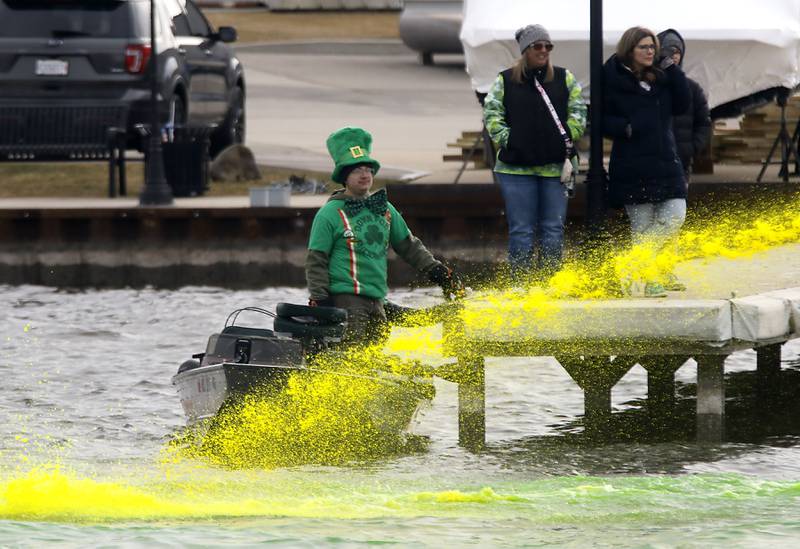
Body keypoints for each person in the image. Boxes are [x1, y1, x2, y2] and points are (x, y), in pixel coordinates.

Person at [306, 126, 464, 344]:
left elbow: (409, 246)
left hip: (378, 300)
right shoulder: (329, 214)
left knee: (375, 357)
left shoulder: (385, 209)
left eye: (368, 169)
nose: (364, 175)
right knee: (352, 359)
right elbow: (316, 261)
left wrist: (438, 271)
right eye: (356, 170)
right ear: (344, 177)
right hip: (346, 300)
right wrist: (320, 300)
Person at [483, 24, 587, 281]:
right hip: (515, 169)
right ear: (525, 50)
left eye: (547, 46)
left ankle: (550, 284)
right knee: (521, 230)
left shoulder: (565, 78)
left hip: (554, 168)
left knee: (553, 229)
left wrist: (567, 136)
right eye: (537, 46)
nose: (543, 51)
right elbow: (492, 114)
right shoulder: (505, 80)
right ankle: (522, 284)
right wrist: (510, 140)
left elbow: (579, 111)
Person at [603, 26, 690, 297]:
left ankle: (631, 264)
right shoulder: (612, 77)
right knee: (642, 227)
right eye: (644, 47)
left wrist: (673, 70)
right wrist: (625, 128)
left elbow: (683, 103)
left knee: (675, 214)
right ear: (630, 50)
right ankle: (651, 281)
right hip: (632, 164)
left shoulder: (662, 78)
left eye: (653, 46)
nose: (651, 51)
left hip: (665, 161)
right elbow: (602, 119)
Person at [657, 29, 712, 184]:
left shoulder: (692, 88)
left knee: (677, 206)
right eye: (669, 50)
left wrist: (692, 148)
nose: (674, 55)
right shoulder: (649, 86)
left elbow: (704, 122)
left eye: (678, 51)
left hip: (681, 161)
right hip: (653, 161)